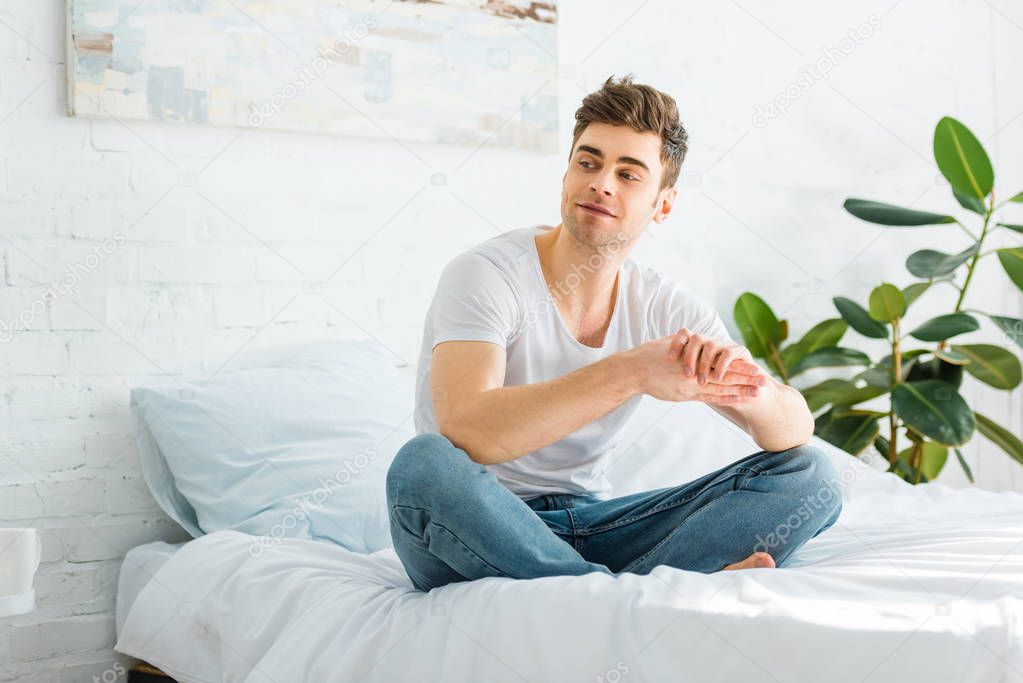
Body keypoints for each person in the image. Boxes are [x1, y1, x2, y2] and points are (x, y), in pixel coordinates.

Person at [387, 74, 842, 592]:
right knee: (421, 466)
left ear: (662, 204)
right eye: (589, 162)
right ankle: (625, 594)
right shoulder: (486, 274)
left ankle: (587, 587)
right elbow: (468, 430)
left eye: (629, 174)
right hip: (477, 527)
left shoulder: (666, 305)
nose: (601, 183)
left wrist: (748, 387)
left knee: (812, 477)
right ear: (566, 176)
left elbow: (791, 431)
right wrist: (632, 372)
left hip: (595, 527)